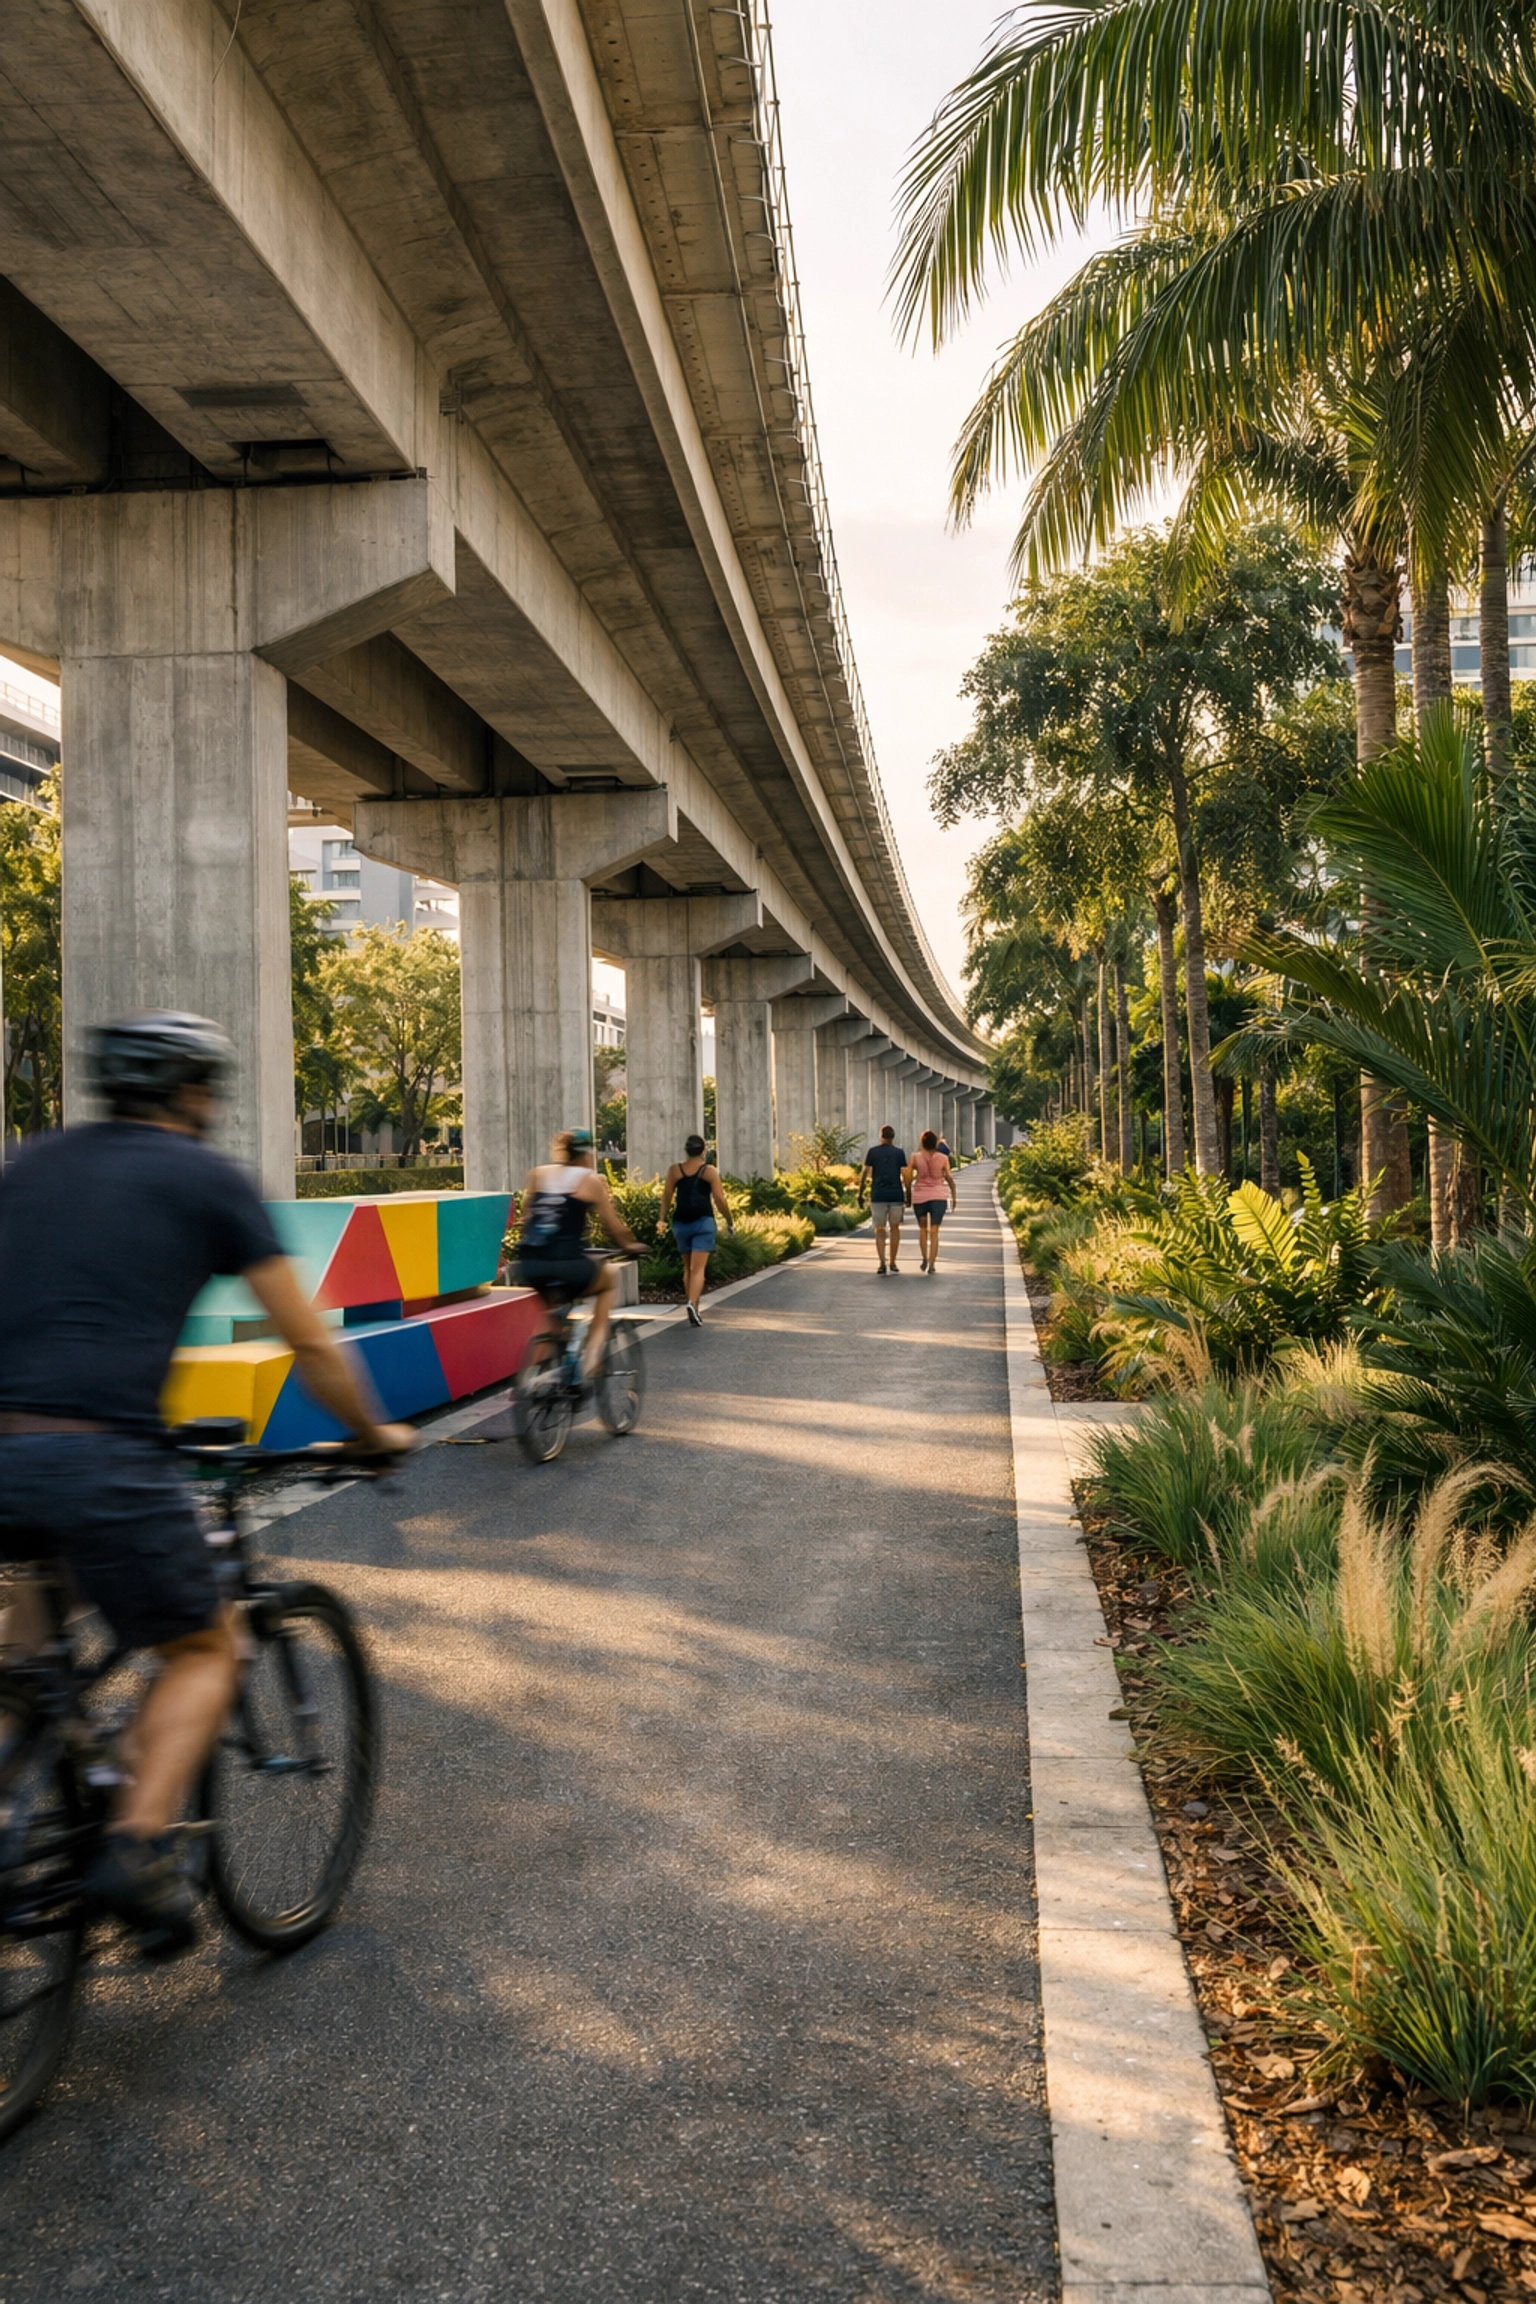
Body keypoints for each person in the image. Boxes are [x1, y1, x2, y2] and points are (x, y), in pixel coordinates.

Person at [0, 1012, 415, 1959]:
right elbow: (310, 1341)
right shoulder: (204, 1177)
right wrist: (372, 1433)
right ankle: (134, 1848)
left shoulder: (28, 1165)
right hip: (97, 1457)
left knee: (30, 1658)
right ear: (195, 1093)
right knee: (207, 1645)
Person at [514, 1128, 644, 1374]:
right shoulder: (589, 1180)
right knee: (608, 1282)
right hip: (568, 1262)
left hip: (531, 1264)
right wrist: (630, 1245)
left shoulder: (537, 1175)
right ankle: (593, 1356)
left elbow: (527, 1218)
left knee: (551, 1313)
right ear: (586, 1153)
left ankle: (532, 1380)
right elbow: (613, 1227)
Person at [658, 1134, 735, 1326]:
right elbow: (719, 1199)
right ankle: (693, 1304)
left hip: (681, 1223)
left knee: (688, 1268)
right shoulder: (709, 1171)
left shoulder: (675, 1170)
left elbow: (666, 1196)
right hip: (703, 1222)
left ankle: (694, 1308)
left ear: (686, 1150)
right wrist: (729, 1220)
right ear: (704, 1150)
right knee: (698, 1269)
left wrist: (661, 1219)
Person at [858, 1124, 909, 1275]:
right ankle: (893, 1262)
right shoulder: (899, 1153)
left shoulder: (873, 1152)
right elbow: (906, 1175)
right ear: (893, 1137)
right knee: (895, 1228)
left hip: (878, 1195)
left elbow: (865, 1173)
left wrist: (860, 1193)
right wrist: (909, 1194)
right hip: (895, 1195)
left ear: (881, 1136)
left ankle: (881, 1263)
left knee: (879, 1229)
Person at [907, 1130, 957, 1274]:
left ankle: (924, 1257)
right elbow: (949, 1178)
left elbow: (908, 1177)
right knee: (934, 1231)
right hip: (938, 1197)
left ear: (922, 1142)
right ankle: (932, 1263)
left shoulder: (915, 1157)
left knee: (923, 1229)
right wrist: (954, 1196)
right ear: (935, 1143)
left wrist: (908, 1196)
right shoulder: (943, 1158)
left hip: (920, 1196)